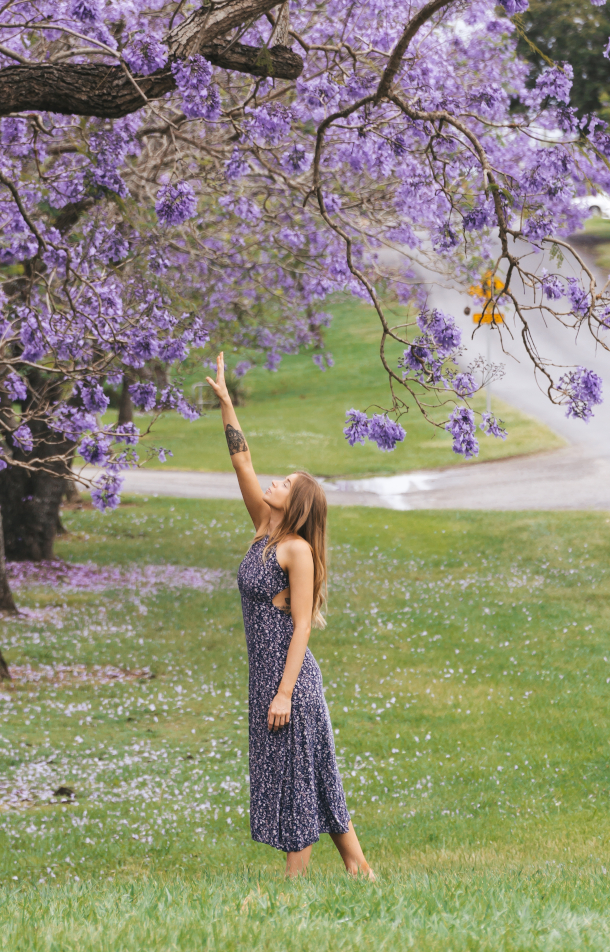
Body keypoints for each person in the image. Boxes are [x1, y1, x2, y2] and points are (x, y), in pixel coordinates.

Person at [205, 352, 375, 880]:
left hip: (290, 680)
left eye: (284, 483)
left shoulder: (296, 550)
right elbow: (242, 463)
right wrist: (229, 405)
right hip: (266, 677)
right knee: (316, 773)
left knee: (297, 775)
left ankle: (292, 883)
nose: (273, 482)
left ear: (296, 503)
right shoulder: (263, 528)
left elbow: (301, 623)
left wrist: (284, 690)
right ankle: (360, 869)